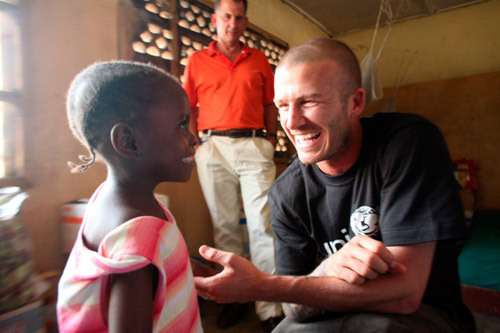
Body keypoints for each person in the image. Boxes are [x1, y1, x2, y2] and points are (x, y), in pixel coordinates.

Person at [193, 38, 476, 332]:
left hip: (424, 314)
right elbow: (294, 310)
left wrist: (265, 286)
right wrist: (327, 268)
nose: (292, 122)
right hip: (336, 310)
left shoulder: (406, 144)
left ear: (355, 102)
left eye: (309, 101)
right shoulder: (286, 192)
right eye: (283, 106)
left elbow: (405, 295)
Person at [56, 61, 203, 332]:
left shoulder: (110, 199)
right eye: (182, 125)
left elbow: (158, 257)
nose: (193, 138)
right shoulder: (135, 247)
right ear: (128, 141)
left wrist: (187, 267)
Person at [182, 0, 282, 330]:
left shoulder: (259, 59)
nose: (232, 23)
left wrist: (269, 138)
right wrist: (196, 142)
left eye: (239, 17)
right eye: (227, 16)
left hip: (253, 144)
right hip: (213, 148)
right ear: (215, 19)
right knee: (224, 227)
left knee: (262, 226)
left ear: (245, 21)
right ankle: (236, 300)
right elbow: (189, 106)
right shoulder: (197, 61)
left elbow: (270, 103)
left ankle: (270, 308)